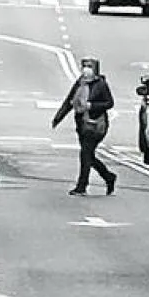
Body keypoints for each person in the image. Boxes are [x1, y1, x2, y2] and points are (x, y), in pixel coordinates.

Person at [52, 57, 116, 197]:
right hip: (82, 124)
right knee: (88, 156)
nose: (86, 69)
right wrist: (58, 118)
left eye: (89, 67)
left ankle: (82, 186)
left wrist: (91, 106)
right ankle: (108, 177)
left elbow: (109, 103)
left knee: (85, 154)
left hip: (96, 124)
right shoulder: (80, 83)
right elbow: (69, 102)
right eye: (84, 66)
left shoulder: (101, 85)